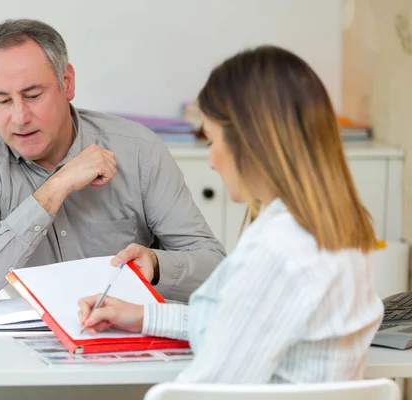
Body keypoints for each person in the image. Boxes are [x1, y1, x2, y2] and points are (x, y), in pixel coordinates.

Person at [78, 45, 384, 383]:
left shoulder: (279, 247)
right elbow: (241, 321)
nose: (211, 160)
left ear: (250, 141)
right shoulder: (340, 231)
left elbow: (213, 387)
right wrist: (144, 316)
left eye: (212, 140)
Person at [0, 19, 226, 308]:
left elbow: (214, 269)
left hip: (122, 338)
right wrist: (56, 187)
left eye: (33, 96)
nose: (20, 117)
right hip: (18, 341)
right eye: (2, 101)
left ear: (67, 82)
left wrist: (155, 264)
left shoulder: (139, 150)